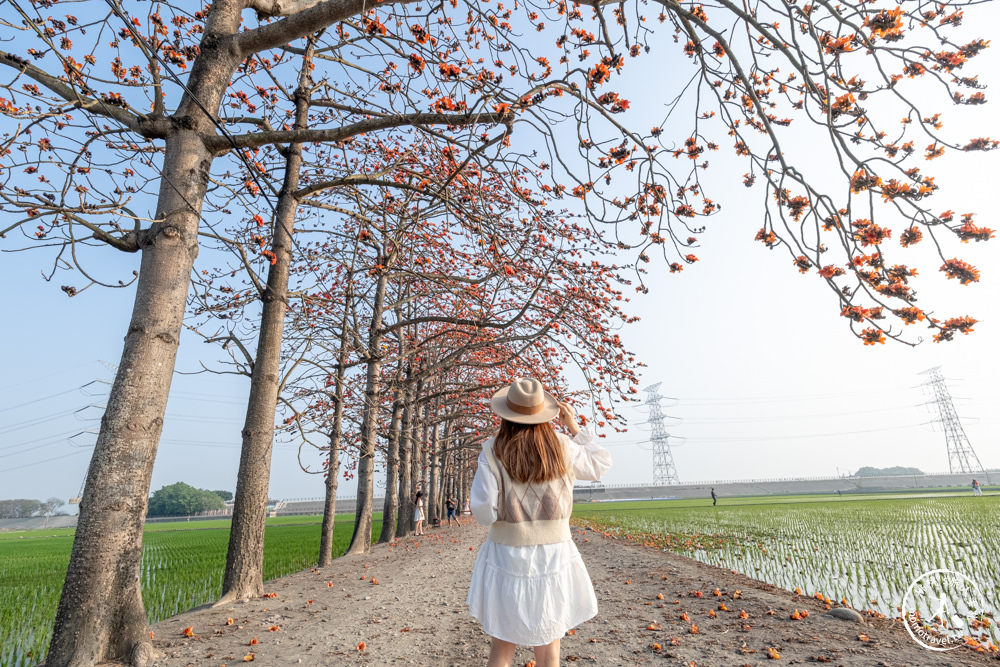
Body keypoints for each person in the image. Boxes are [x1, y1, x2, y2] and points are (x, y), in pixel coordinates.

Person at [467, 377, 612, 667]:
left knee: (502, 644)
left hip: (506, 554)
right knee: (549, 647)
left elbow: (484, 511)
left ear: (506, 415)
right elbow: (599, 464)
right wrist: (574, 428)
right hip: (555, 554)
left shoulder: (493, 450)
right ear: (544, 414)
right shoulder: (562, 446)